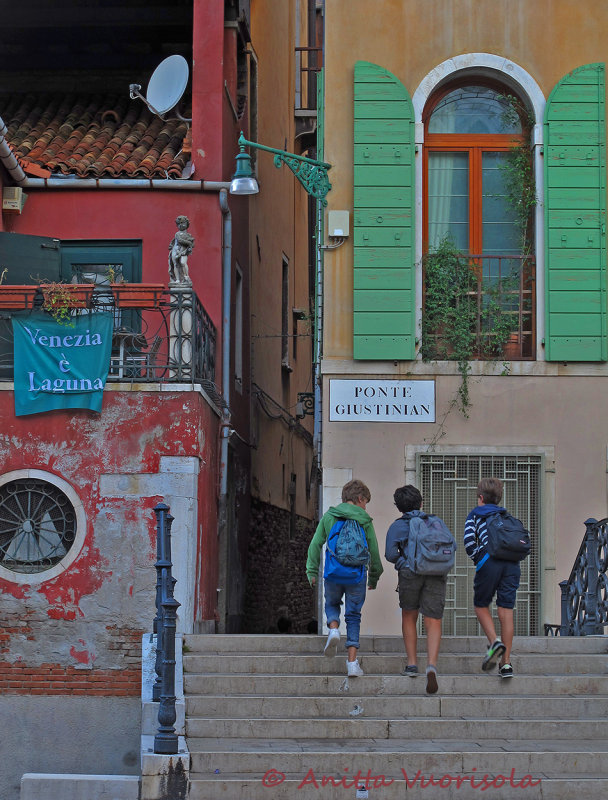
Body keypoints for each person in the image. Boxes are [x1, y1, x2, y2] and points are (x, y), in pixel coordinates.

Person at [306, 479, 383, 677]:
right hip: (356, 575)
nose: (365, 506)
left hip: (333, 572)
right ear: (359, 498)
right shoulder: (364, 520)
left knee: (331, 603)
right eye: (365, 501)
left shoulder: (329, 517)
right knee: (353, 616)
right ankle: (352, 663)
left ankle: (333, 629)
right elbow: (373, 551)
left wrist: (312, 571)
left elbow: (315, 544)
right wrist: (374, 577)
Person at [385, 484, 449, 694]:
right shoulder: (434, 522)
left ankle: (412, 664)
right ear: (421, 502)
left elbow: (390, 554)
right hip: (435, 573)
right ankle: (431, 665)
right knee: (433, 620)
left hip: (410, 574)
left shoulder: (397, 526)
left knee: (409, 616)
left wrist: (406, 563)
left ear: (398, 507)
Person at [464, 477, 519, 678]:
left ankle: (495, 643)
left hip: (489, 564)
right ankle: (506, 665)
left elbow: (469, 543)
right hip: (512, 565)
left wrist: (481, 559)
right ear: (498, 498)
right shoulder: (507, 516)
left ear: (480, 498)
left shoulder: (475, 516)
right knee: (506, 611)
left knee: (481, 605)